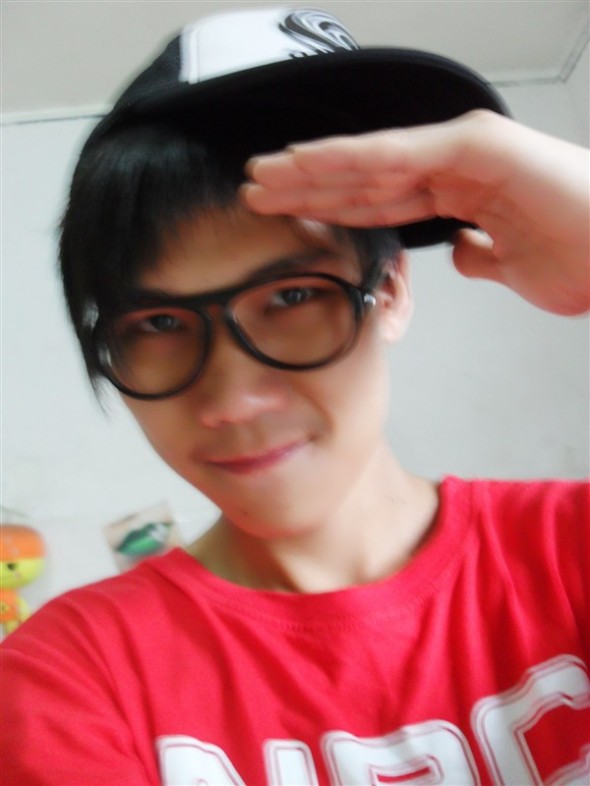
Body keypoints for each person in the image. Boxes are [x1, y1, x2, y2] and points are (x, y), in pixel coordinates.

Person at [2, 6, 589, 785]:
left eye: (291, 297)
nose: (232, 400)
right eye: (161, 323)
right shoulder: (70, 679)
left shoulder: (570, 552)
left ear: (391, 292)